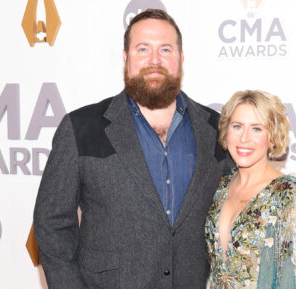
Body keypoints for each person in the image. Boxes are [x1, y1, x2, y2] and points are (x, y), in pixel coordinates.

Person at [34, 9, 230, 289]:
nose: (154, 60)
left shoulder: (216, 130)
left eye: (165, 49)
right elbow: (52, 225)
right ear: (125, 58)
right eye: (142, 49)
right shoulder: (81, 128)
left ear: (181, 59)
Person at [205, 90, 296, 289]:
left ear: (272, 137)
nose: (244, 138)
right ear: (226, 131)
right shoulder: (221, 187)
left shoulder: (288, 194)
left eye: (256, 129)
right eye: (237, 126)